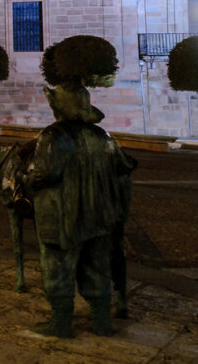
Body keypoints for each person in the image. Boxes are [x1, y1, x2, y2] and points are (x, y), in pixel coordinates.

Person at [24, 85, 135, 339]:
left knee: (58, 269)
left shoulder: (55, 136)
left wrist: (25, 175)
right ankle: (102, 322)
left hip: (64, 218)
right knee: (97, 268)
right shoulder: (103, 136)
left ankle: (61, 324)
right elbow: (124, 165)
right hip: (100, 217)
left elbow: (44, 173)